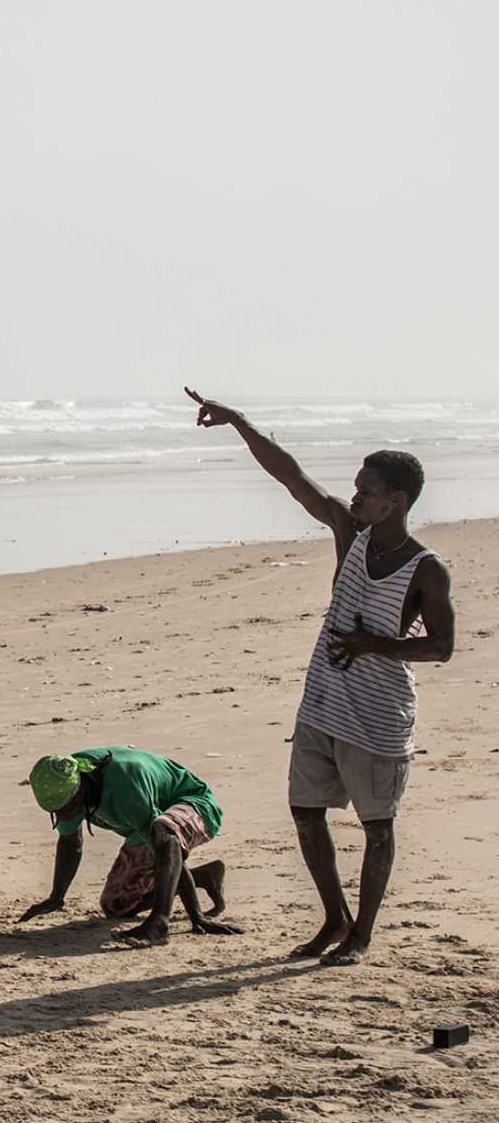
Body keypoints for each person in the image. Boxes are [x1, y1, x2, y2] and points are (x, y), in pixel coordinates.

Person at [185, 389, 458, 966]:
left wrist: (373, 644)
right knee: (306, 812)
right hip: (324, 702)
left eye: (367, 491)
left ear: (396, 501)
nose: (354, 496)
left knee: (377, 826)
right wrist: (238, 420)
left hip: (380, 714)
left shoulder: (425, 569)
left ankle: (362, 933)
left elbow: (442, 647)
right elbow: (291, 475)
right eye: (356, 488)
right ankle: (334, 917)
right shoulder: (349, 534)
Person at [17, 749, 237, 943]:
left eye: (66, 808)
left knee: (163, 829)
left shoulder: (126, 787)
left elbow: (166, 844)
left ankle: (159, 923)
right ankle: (205, 876)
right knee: (117, 905)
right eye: (55, 811)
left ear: (81, 790)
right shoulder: (63, 783)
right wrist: (57, 896)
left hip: (197, 807)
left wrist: (195, 916)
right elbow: (70, 842)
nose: (63, 815)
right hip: (150, 826)